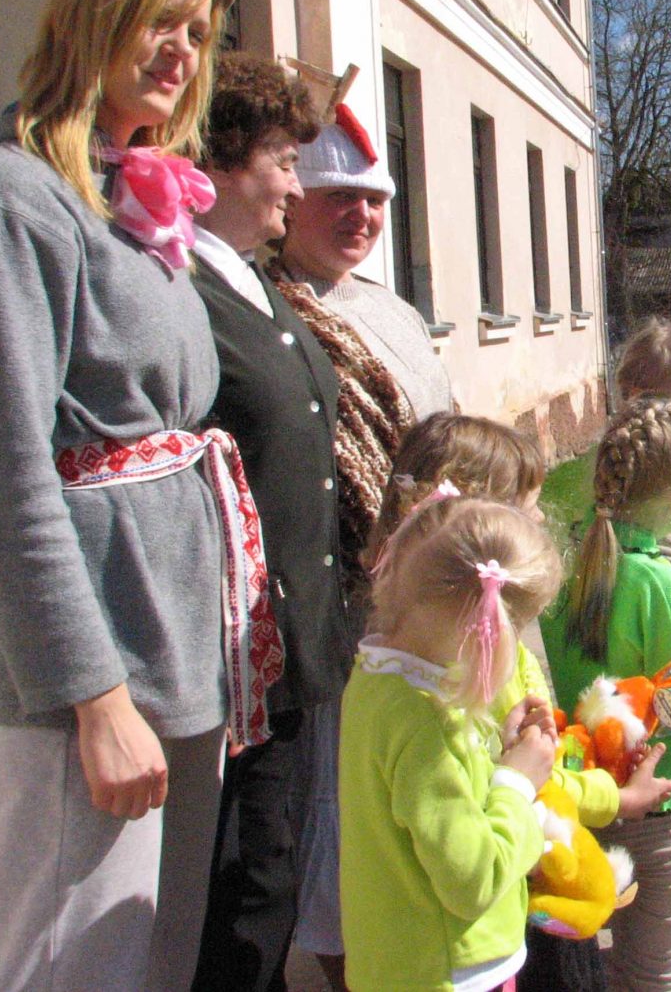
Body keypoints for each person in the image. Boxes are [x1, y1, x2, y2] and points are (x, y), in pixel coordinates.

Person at [0, 0, 248, 990]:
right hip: (96, 671)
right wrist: (94, 699)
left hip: (182, 655)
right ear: (89, 19)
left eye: (200, 33)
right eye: (158, 20)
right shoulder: (12, 197)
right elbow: (2, 472)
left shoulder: (137, 202)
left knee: (151, 964)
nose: (180, 52)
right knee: (66, 967)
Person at [374, 412, 671, 992]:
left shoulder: (403, 662)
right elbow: (493, 835)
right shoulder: (446, 690)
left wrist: (608, 795)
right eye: (528, 504)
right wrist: (544, 784)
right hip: (469, 947)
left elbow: (536, 772)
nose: (542, 516)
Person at [267, 103, 454, 988]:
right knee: (346, 809)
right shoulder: (270, 306)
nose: (361, 216)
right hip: (339, 602)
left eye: (375, 200)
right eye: (337, 196)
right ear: (288, 197)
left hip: (424, 588)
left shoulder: (396, 313)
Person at [185, 52, 351, 989]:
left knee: (275, 883)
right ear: (221, 162)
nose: (296, 181)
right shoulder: (184, 291)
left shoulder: (252, 281)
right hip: (238, 664)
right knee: (247, 900)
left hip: (293, 647)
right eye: (283, 160)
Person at [540, 397, 671, 991]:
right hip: (670, 809)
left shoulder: (576, 562)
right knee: (655, 980)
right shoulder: (655, 581)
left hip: (600, 796)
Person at [338, 496, 562, 992]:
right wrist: (516, 784)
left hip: (399, 961)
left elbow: (422, 814)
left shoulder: (378, 678)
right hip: (453, 971)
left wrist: (494, 753)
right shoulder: (426, 721)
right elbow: (472, 880)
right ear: (489, 634)